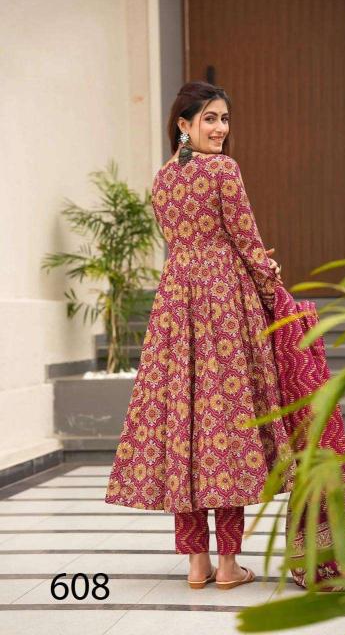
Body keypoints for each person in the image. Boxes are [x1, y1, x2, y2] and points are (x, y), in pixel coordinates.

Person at [105, 80, 290, 589]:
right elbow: (246, 240)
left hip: (175, 304)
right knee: (227, 425)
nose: (221, 128)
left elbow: (182, 239)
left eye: (224, 118)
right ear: (183, 125)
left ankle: (196, 563)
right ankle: (228, 564)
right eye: (210, 118)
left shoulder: (163, 178)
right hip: (224, 303)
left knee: (183, 425)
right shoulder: (224, 170)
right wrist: (272, 287)